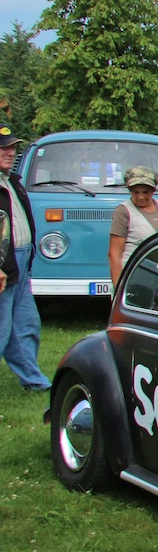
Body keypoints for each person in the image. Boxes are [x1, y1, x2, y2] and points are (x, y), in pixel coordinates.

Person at [0, 127, 49, 392]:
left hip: (20, 261)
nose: (10, 152)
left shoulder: (12, 181)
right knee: (2, 327)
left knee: (26, 324)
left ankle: (33, 379)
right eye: (3, 148)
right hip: (3, 265)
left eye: (12, 148)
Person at [108, 166, 158, 285]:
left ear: (154, 190)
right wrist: (119, 289)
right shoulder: (123, 211)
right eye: (135, 192)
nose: (140, 197)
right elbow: (114, 254)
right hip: (136, 279)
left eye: (145, 192)